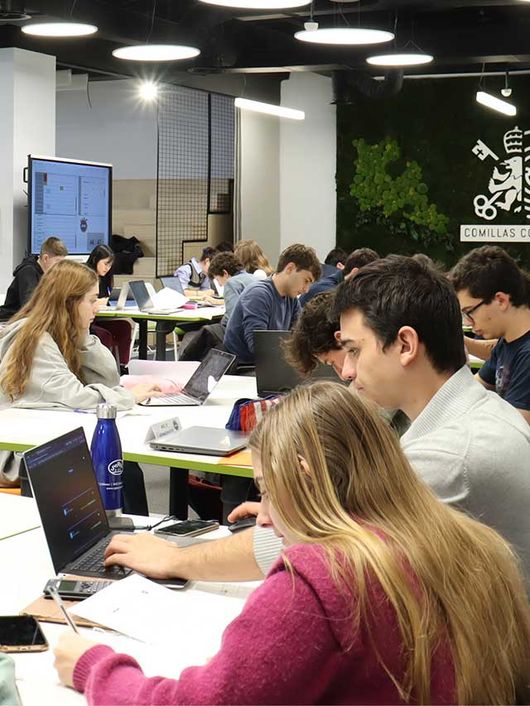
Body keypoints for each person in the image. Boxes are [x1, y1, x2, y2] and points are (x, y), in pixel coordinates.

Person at [55, 384, 530, 705]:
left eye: (266, 488)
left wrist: (95, 668)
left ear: (303, 475)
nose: (262, 514)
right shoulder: (470, 544)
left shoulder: (322, 581)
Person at [104, 255, 530, 588]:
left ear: (405, 344)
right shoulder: (471, 415)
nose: (346, 372)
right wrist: (298, 510)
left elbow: (317, 550)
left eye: (356, 351)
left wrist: (174, 558)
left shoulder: (447, 456)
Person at [0, 260, 160, 505]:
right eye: (91, 300)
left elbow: (109, 378)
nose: (97, 306)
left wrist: (83, 334)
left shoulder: (60, 333)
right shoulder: (36, 340)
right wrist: (130, 396)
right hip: (16, 452)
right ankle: (127, 536)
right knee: (119, 465)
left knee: (121, 463)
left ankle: (129, 534)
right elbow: (77, 397)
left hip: (40, 436)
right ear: (69, 302)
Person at [450, 245, 530, 423]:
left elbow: (514, 429)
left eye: (470, 311)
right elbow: (473, 389)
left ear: (501, 300)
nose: (468, 322)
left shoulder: (527, 354)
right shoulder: (507, 342)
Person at [224, 243, 321, 364]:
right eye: (306, 281)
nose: (306, 289)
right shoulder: (258, 294)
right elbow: (258, 347)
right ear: (290, 268)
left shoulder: (292, 299)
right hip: (244, 366)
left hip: (269, 363)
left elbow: (299, 336)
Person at [85, 244, 133, 369]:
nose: (108, 268)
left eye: (110, 265)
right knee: (105, 335)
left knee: (125, 327)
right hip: (87, 322)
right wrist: (102, 301)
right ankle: (104, 369)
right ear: (95, 259)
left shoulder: (105, 278)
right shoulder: (84, 275)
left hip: (100, 318)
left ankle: (122, 366)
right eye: (105, 264)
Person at [0, 236, 67, 321]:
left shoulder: (47, 274)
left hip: (24, 321)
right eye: (58, 262)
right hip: (10, 321)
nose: (60, 267)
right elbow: (30, 306)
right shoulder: (28, 272)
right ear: (45, 258)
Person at [300, 247, 379, 306]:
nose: (371, 287)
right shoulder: (330, 294)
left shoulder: (333, 285)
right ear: (355, 273)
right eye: (369, 281)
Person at [208, 252, 255, 326]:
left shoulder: (231, 283)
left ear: (225, 273)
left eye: (217, 279)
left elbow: (231, 318)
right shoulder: (255, 278)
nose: (220, 284)